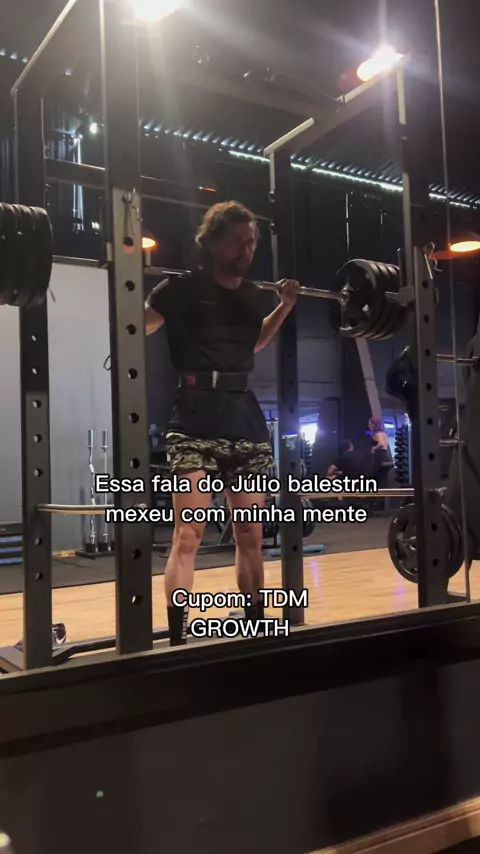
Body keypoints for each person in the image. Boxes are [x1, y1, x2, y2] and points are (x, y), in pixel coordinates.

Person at [145, 201, 299, 645]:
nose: (247, 251)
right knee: (188, 533)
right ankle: (178, 637)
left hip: (243, 416)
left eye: (252, 243)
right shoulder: (178, 290)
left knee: (250, 532)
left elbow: (256, 341)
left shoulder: (253, 295)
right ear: (213, 242)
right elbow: (136, 326)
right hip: (193, 417)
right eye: (239, 242)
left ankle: (254, 627)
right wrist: (126, 285)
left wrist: (285, 307)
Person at [368, 416, 395, 488]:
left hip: (380, 457)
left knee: (377, 475)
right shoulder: (383, 433)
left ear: (374, 424)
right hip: (385, 456)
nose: (369, 426)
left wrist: (374, 448)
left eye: (370, 423)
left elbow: (381, 443)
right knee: (383, 476)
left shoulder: (378, 434)